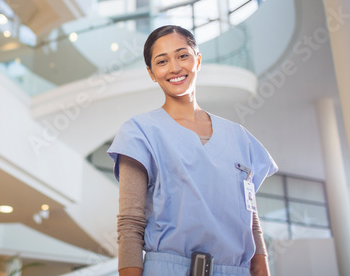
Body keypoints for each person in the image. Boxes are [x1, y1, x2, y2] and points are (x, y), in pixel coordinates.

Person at [107, 25, 278, 276]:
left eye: (182, 55)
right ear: (151, 73)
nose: (175, 68)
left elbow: (252, 224)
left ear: (197, 60)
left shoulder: (240, 138)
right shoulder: (138, 132)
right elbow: (130, 225)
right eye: (162, 61)